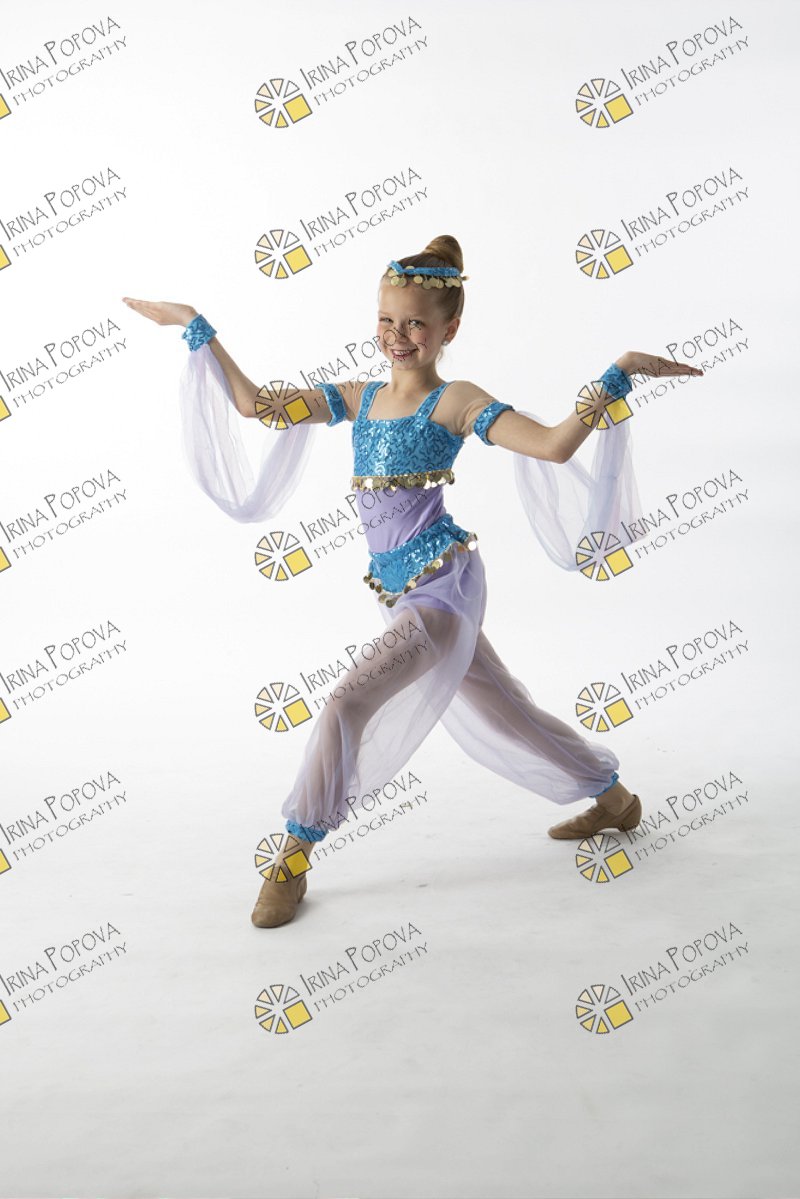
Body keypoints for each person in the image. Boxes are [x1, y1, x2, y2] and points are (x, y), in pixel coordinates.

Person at [122, 234, 703, 929]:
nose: (397, 336)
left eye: (416, 324)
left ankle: (293, 855)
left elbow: (552, 445)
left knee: (345, 704)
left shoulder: (456, 400)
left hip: (443, 589)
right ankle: (615, 801)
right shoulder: (359, 398)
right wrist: (196, 326)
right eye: (386, 320)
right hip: (400, 591)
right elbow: (256, 407)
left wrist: (619, 373)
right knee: (505, 712)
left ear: (449, 330)